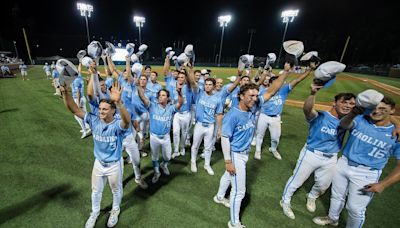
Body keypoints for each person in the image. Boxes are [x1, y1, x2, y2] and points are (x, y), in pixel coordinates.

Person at [214, 63, 291, 228]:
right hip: (235, 154)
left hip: (243, 153)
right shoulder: (233, 115)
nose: (255, 99)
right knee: (239, 191)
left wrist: (286, 72)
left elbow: (272, 90)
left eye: (256, 95)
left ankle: (219, 197)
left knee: (228, 177)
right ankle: (234, 222)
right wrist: (228, 161)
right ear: (241, 96)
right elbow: (225, 138)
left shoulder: (254, 105)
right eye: (251, 95)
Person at [313, 96, 400, 228]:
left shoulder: (396, 134)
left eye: (383, 109)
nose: (377, 112)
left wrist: (383, 184)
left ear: (392, 110)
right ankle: (332, 218)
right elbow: (343, 124)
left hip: (366, 174)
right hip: (344, 163)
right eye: (375, 108)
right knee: (336, 196)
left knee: (355, 209)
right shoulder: (360, 119)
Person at [60, 80, 130, 228]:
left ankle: (115, 210)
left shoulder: (117, 124)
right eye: (100, 109)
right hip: (98, 163)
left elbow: (127, 122)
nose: (101, 112)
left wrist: (119, 103)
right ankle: (95, 213)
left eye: (105, 109)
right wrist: (66, 92)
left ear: (113, 111)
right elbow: (74, 109)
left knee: (116, 190)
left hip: (114, 164)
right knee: (96, 191)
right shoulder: (94, 120)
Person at [280, 84, 356, 219]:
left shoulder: (349, 120)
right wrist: (312, 94)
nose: (348, 106)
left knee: (323, 185)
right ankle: (285, 201)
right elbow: (307, 109)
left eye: (352, 104)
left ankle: (312, 196)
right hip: (311, 154)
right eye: (344, 102)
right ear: (334, 103)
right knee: (297, 180)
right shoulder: (321, 116)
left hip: (331, 158)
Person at [254, 65, 312, 160]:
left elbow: (297, 80)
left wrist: (309, 70)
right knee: (259, 135)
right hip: (263, 116)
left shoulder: (283, 90)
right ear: (271, 84)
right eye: (276, 83)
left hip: (276, 118)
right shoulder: (263, 91)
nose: (279, 85)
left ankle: (273, 149)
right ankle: (258, 151)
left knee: (276, 137)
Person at [137, 85, 183, 183]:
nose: (161, 97)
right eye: (160, 95)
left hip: (165, 137)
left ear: (167, 98)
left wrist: (179, 93)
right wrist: (138, 87)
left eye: (163, 95)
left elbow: (180, 103)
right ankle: (156, 172)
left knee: (167, 157)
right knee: (155, 157)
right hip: (154, 137)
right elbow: (143, 98)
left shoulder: (170, 108)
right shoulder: (152, 106)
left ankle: (163, 164)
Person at [72, 61, 91, 138]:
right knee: (85, 113)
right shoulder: (79, 77)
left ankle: (84, 130)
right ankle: (88, 127)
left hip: (78, 98)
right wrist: (79, 62)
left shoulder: (76, 80)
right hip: (83, 98)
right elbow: (79, 70)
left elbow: (78, 92)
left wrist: (78, 103)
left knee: (76, 115)